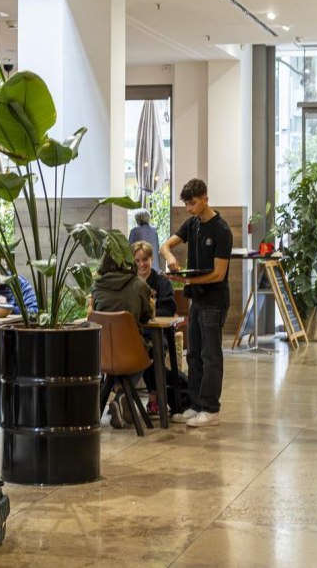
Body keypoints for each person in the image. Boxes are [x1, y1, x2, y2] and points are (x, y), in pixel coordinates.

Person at [160, 178, 233, 428]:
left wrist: (186, 278)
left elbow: (218, 274)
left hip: (214, 300)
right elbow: (165, 244)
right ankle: (195, 404)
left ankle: (211, 408)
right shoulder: (192, 224)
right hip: (197, 299)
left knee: (210, 354)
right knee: (193, 354)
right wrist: (170, 258)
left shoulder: (221, 230)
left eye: (193, 204)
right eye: (187, 205)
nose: (189, 209)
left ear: (205, 198)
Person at [91, 248, 154, 430]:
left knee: (116, 355)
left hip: (103, 355)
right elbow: (146, 317)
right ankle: (121, 398)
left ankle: (118, 393)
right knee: (147, 351)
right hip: (132, 355)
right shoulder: (139, 286)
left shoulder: (96, 287)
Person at [133, 240, 179, 415]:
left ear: (151, 259)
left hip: (158, 333)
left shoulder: (162, 282)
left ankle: (151, 397)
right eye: (137, 261)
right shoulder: (129, 283)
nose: (141, 264)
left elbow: (168, 309)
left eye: (144, 259)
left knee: (152, 349)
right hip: (133, 334)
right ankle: (125, 396)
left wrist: (144, 313)